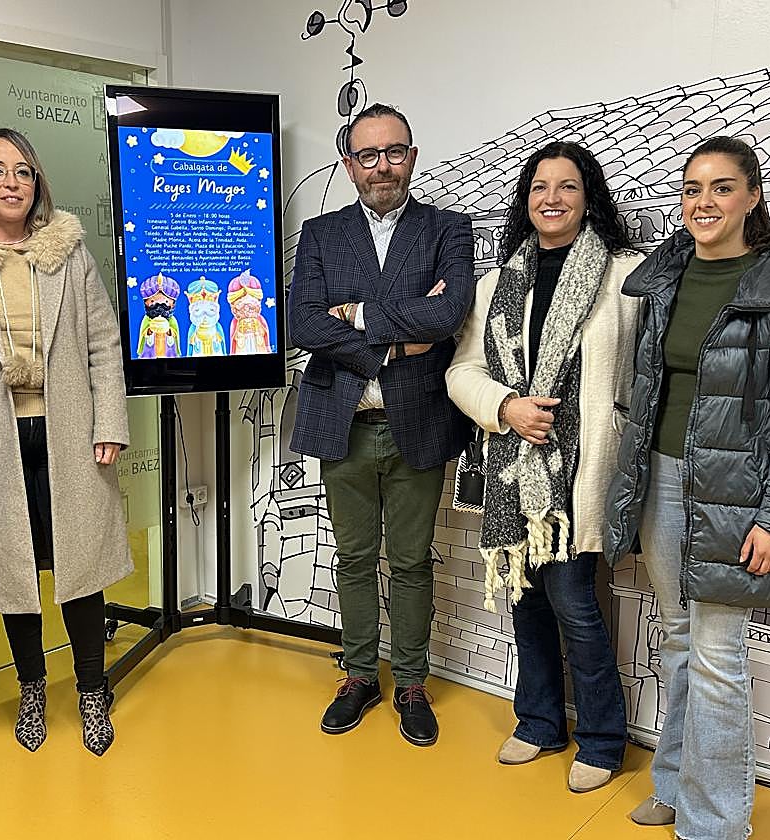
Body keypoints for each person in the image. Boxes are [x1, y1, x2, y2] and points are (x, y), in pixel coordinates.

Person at [604, 136, 770, 839]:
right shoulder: (667, 275)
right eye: (692, 188)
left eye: (722, 187)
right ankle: (676, 785)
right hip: (662, 479)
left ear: (753, 196)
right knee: (680, 638)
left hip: (737, 494)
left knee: (716, 656)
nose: (703, 202)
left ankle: (715, 824)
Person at [0, 128, 130, 756]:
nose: (11, 182)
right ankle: (32, 685)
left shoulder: (68, 251)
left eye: (23, 171)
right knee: (14, 569)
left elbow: (102, 343)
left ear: (37, 182)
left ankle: (91, 688)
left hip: (69, 431)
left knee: (80, 564)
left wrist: (110, 423)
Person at [446, 141, 642, 792]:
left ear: (589, 198)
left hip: (582, 473)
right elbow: (462, 370)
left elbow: (643, 373)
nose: (551, 198)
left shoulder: (624, 276)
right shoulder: (496, 284)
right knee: (525, 602)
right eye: (539, 187)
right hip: (512, 469)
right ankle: (537, 722)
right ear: (525, 200)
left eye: (566, 186)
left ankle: (603, 741)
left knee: (575, 605)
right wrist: (507, 407)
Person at [289, 103, 474, 747]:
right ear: (350, 165)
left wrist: (356, 313)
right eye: (368, 155)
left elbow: (448, 314)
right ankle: (361, 675)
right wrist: (394, 345)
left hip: (416, 423)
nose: (382, 166)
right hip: (343, 422)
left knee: (412, 561)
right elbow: (303, 322)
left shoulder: (447, 229)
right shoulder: (321, 234)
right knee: (354, 558)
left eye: (394, 152)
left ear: (412, 157)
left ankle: (413, 683)